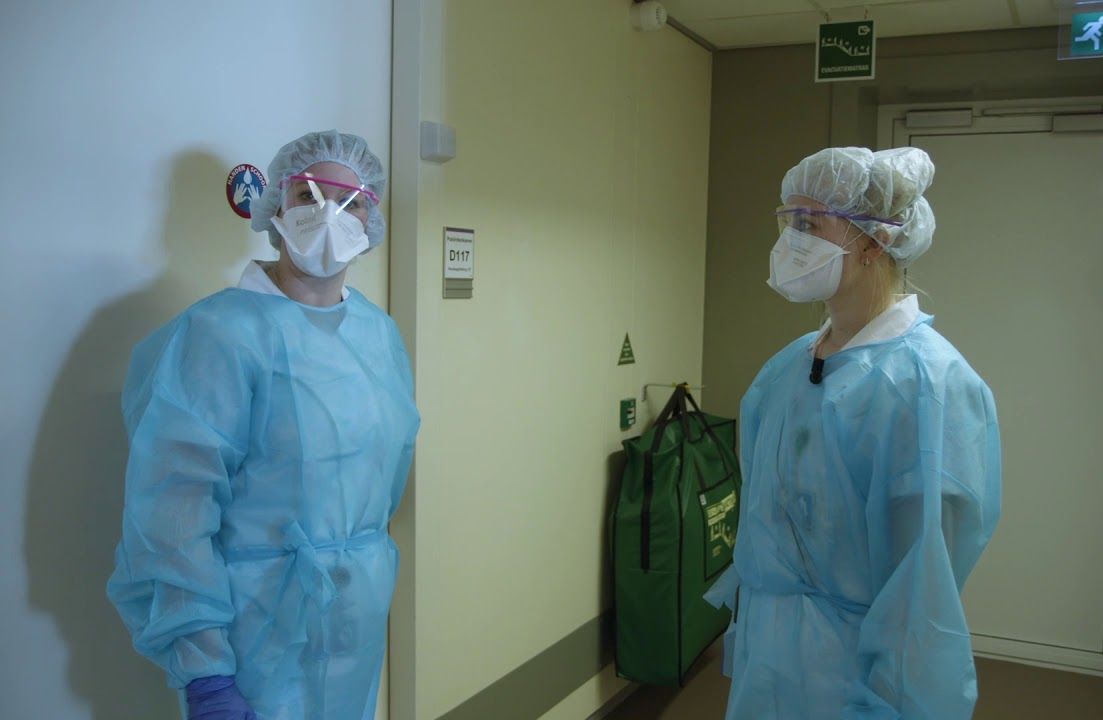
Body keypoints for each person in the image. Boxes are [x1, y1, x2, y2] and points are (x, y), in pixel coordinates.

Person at [107, 130, 419, 720]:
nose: (330, 215)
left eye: (351, 203)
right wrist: (206, 672)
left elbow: (387, 478)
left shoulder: (378, 336)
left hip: (356, 618)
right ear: (276, 204)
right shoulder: (221, 332)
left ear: (372, 220)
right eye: (309, 196)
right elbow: (174, 512)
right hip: (255, 632)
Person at [705, 147, 1001, 719]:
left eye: (809, 224)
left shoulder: (927, 383)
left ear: (875, 241)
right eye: (788, 222)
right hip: (772, 652)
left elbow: (922, 584)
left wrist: (887, 698)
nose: (792, 241)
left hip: (854, 670)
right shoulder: (788, 368)